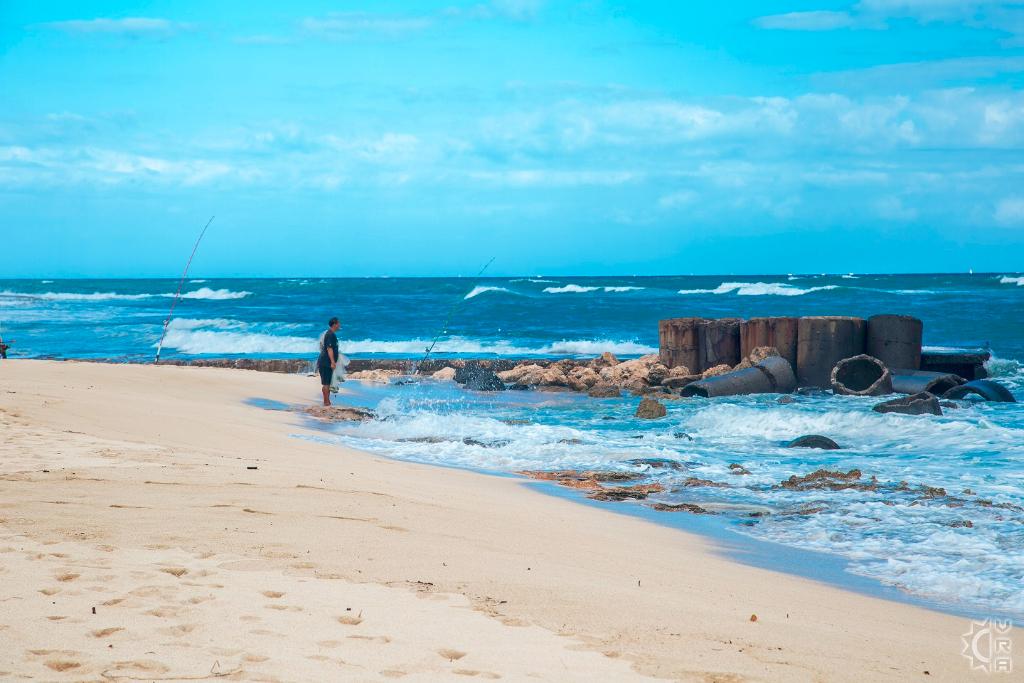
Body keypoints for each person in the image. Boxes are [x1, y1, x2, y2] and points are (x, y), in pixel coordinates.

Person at [317, 317, 341, 406]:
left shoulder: (331, 334)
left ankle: (327, 401)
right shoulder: (330, 334)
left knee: (327, 383)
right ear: (334, 324)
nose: (339, 325)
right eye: (338, 323)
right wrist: (332, 362)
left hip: (326, 362)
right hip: (326, 363)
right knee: (326, 383)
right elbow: (329, 348)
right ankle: (326, 402)